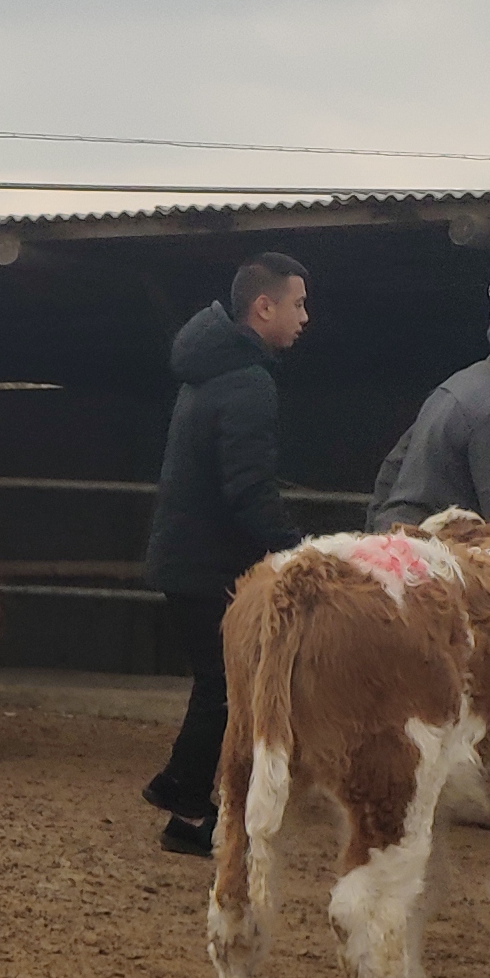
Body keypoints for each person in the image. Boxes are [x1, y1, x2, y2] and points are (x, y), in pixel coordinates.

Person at [139, 253, 314, 856]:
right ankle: (185, 804)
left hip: (187, 559)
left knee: (217, 687)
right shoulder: (248, 382)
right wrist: (298, 556)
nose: (304, 317)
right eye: (297, 304)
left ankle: (182, 798)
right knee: (225, 688)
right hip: (209, 565)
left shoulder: (209, 372)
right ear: (263, 307)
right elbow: (248, 491)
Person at [365, 277, 490, 532]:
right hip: (436, 550)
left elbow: (392, 468)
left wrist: (373, 536)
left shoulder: (454, 386)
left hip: (394, 537)